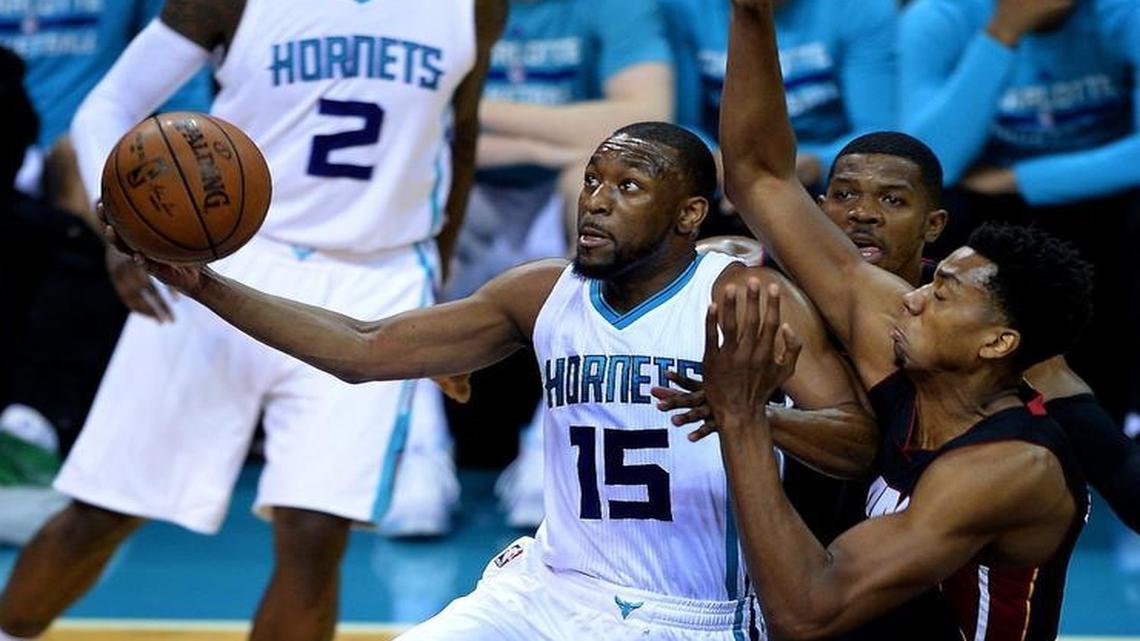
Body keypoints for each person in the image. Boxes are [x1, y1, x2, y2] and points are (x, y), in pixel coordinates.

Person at [109, 121, 876, 640]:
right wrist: (205, 285)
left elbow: (856, 441)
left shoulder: (746, 301)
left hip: (686, 612)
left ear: (689, 214)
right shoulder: (541, 292)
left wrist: (749, 414)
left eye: (629, 187)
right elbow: (362, 348)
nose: (597, 201)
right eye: (593, 179)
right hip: (547, 587)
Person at [0, 1, 504, 640]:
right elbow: (108, 105)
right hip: (217, 265)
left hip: (374, 280)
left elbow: (461, 137)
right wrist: (119, 229)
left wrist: (439, 299)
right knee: (103, 512)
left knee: (315, 531)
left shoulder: (473, 7)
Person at [710, 2, 1093, 639]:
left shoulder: (1007, 467)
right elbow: (760, 177)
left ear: (997, 342)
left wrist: (743, 415)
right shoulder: (903, 347)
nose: (912, 297)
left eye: (942, 295)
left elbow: (806, 612)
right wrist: (752, 17)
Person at [442, 0, 675, 531]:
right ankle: (418, 452)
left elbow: (648, 121)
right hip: (471, 196)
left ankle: (548, 445)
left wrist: (469, 108)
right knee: (411, 193)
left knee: (602, 188)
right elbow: (416, 129)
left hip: (563, 190)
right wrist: (554, 141)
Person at [899, 0, 1140, 422]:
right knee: (941, 209)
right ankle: (978, 408)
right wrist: (1001, 34)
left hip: (1102, 200)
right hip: (991, 210)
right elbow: (931, 161)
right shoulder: (939, 17)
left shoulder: (1124, 12)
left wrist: (1023, 179)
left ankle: (1119, 413)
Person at [660, 0, 896, 236]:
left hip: (820, 182)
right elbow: (679, 123)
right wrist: (715, 161)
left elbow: (877, 132)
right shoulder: (681, 7)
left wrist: (815, 164)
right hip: (719, 182)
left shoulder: (862, 7)